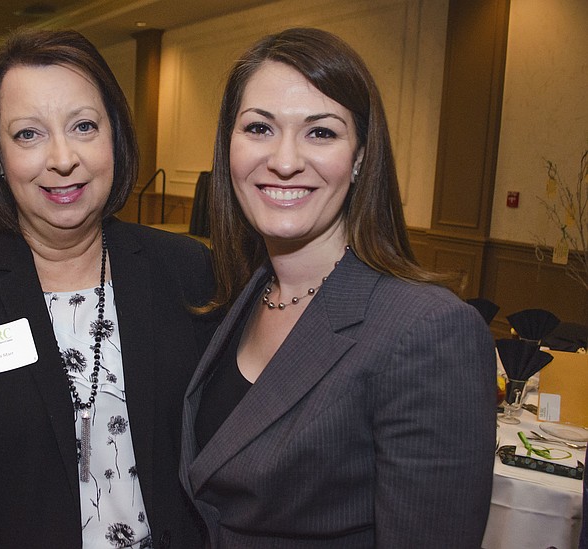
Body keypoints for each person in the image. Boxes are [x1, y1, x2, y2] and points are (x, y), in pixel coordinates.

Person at [0, 28, 217, 548]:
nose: (62, 158)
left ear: (116, 137)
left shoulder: (185, 270)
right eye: (28, 135)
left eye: (84, 125)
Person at [180, 28, 496, 548]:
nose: (284, 160)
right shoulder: (238, 296)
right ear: (227, 148)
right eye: (259, 128)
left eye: (320, 133)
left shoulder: (427, 330)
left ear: (361, 156)